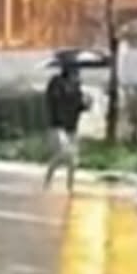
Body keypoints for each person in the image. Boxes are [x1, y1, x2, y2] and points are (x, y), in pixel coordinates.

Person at [42, 59, 85, 194]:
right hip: (58, 125)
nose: (77, 76)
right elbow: (52, 100)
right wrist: (66, 91)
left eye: (77, 73)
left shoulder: (77, 88)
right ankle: (48, 180)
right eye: (75, 73)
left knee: (73, 159)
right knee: (64, 153)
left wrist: (85, 104)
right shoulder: (56, 83)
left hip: (72, 126)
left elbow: (79, 106)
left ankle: (70, 186)